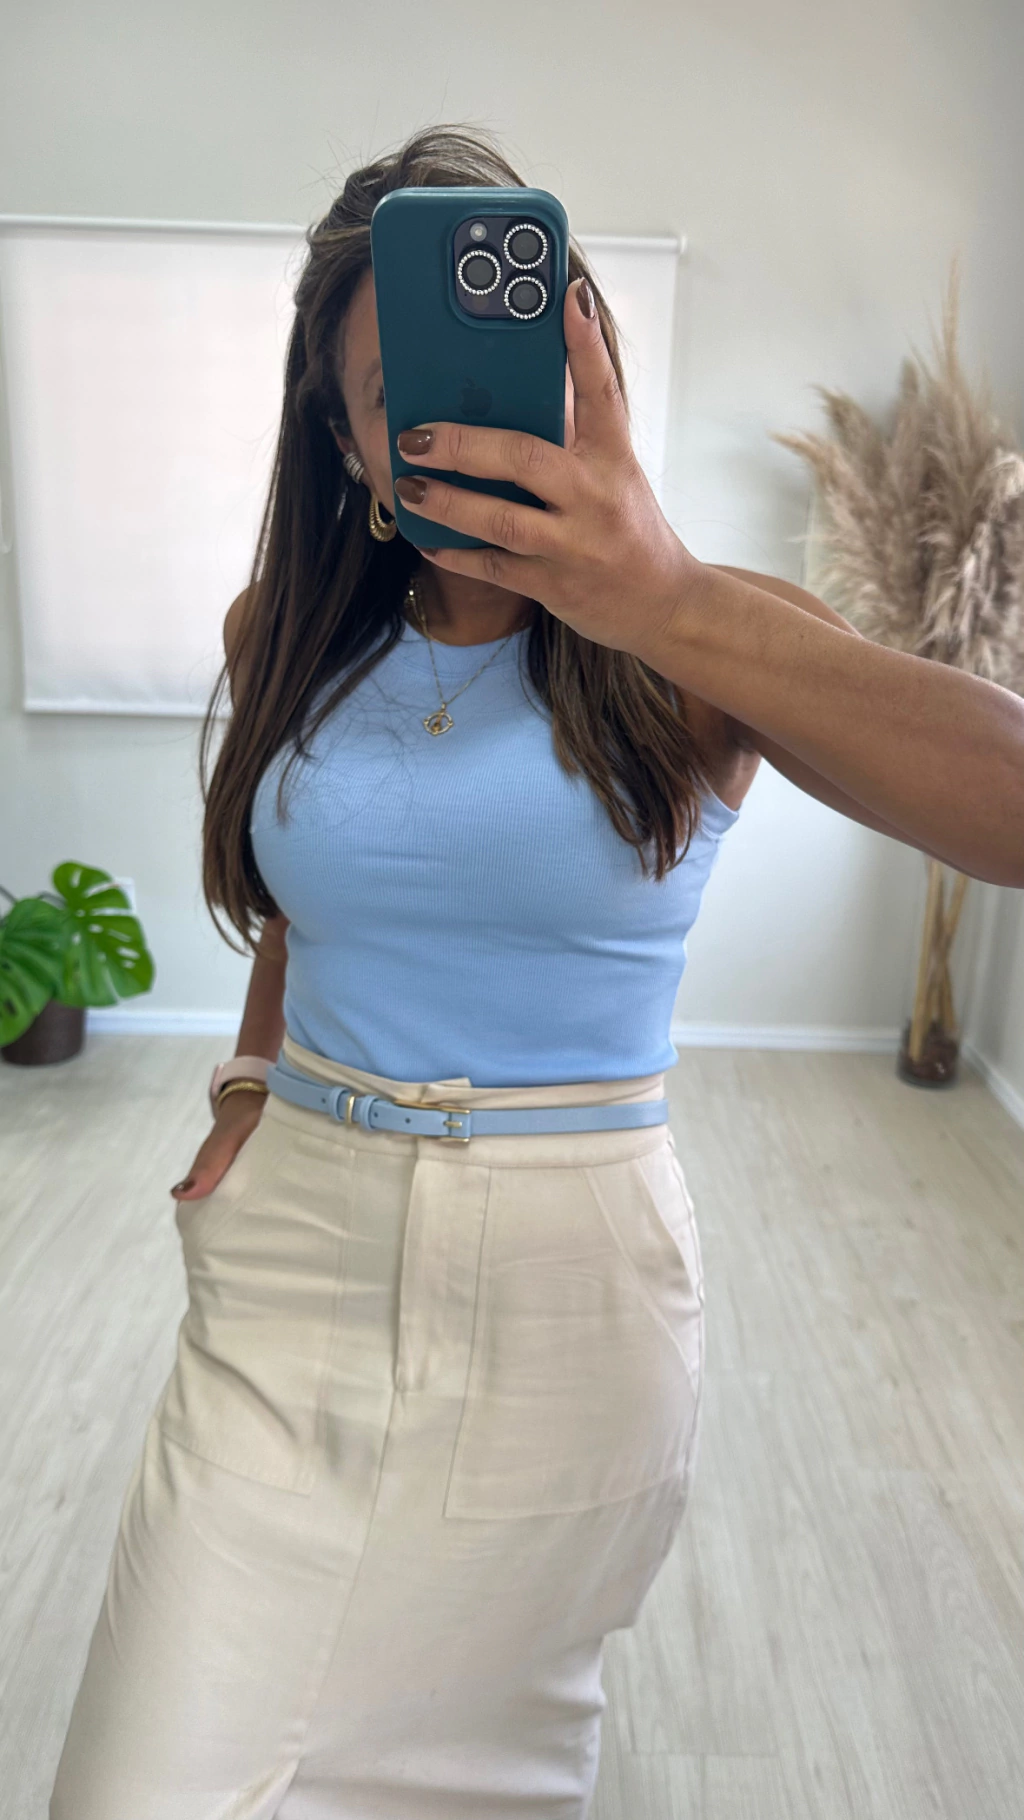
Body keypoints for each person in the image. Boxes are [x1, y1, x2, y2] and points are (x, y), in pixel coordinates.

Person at [50, 125, 1023, 1820]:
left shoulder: (702, 647)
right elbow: (307, 901)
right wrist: (246, 1091)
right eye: (402, 397)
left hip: (572, 1299)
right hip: (290, 1269)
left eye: (511, 376)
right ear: (347, 441)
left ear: (589, 374)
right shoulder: (280, 632)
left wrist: (664, 598)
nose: (468, 429)